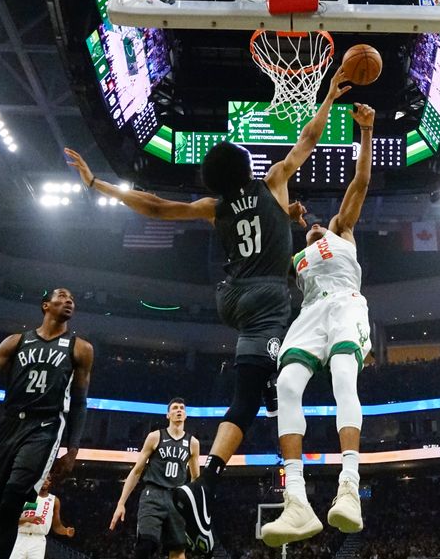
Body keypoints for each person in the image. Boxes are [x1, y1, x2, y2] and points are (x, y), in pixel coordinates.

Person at [65, 67, 350, 553]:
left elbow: (154, 206)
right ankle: (205, 485)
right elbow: (308, 137)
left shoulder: (214, 207)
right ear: (246, 166)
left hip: (232, 298)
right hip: (267, 297)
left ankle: (260, 401)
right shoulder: (274, 181)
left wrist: (97, 185)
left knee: (261, 384)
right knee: (269, 385)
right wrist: (327, 95)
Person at [261, 103, 375, 547]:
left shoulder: (341, 230)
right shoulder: (295, 260)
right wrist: (282, 217)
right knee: (286, 386)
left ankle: (349, 487)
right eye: (305, 227)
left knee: (344, 378)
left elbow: (360, 182)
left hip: (345, 304)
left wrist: (366, 131)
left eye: (314, 226)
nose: (311, 228)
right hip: (308, 315)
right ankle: (296, 502)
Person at [0, 288, 94, 559]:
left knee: (13, 497)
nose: (69, 301)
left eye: (72, 298)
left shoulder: (81, 348)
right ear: (45, 305)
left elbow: (80, 402)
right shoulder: (16, 341)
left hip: (45, 426)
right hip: (9, 423)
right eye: (62, 297)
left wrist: (73, 450)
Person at [109, 398, 200, 559]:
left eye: (182, 408)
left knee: (178, 551)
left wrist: (196, 508)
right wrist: (121, 503)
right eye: (175, 408)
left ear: (185, 415)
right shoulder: (155, 436)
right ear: (168, 415)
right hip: (153, 494)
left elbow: (195, 478)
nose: (179, 410)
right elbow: (137, 471)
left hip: (177, 498)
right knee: (146, 545)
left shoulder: (193, 443)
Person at [10, 474, 75, 559]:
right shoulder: (25, 495)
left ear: (50, 482)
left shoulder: (54, 500)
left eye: (48, 479)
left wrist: (66, 531)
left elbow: (56, 526)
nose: (45, 481)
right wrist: (28, 519)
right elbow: (11, 520)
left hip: (38, 540)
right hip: (20, 537)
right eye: (43, 478)